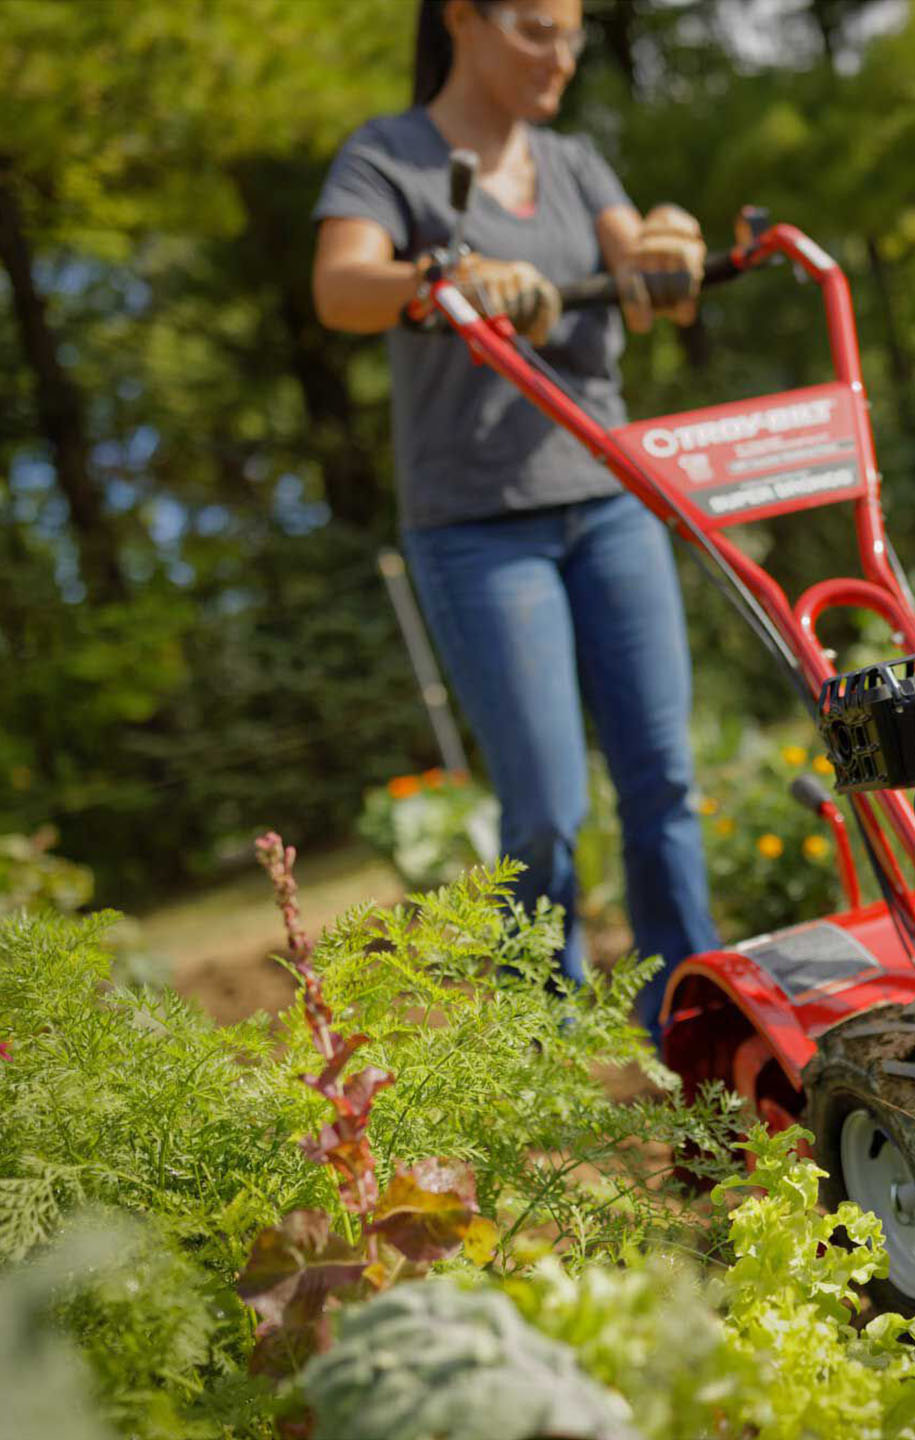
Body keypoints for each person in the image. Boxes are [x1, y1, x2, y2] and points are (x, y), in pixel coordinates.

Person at [311, 0, 719, 1034]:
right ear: (465, 20)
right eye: (539, 28)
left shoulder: (576, 163)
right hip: (480, 525)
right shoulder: (389, 159)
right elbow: (341, 285)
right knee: (544, 806)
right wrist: (443, 276)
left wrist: (672, 241)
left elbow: (650, 285)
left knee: (663, 778)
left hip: (609, 500)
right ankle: (546, 1053)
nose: (565, 54)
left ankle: (692, 1021)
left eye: (574, 32)